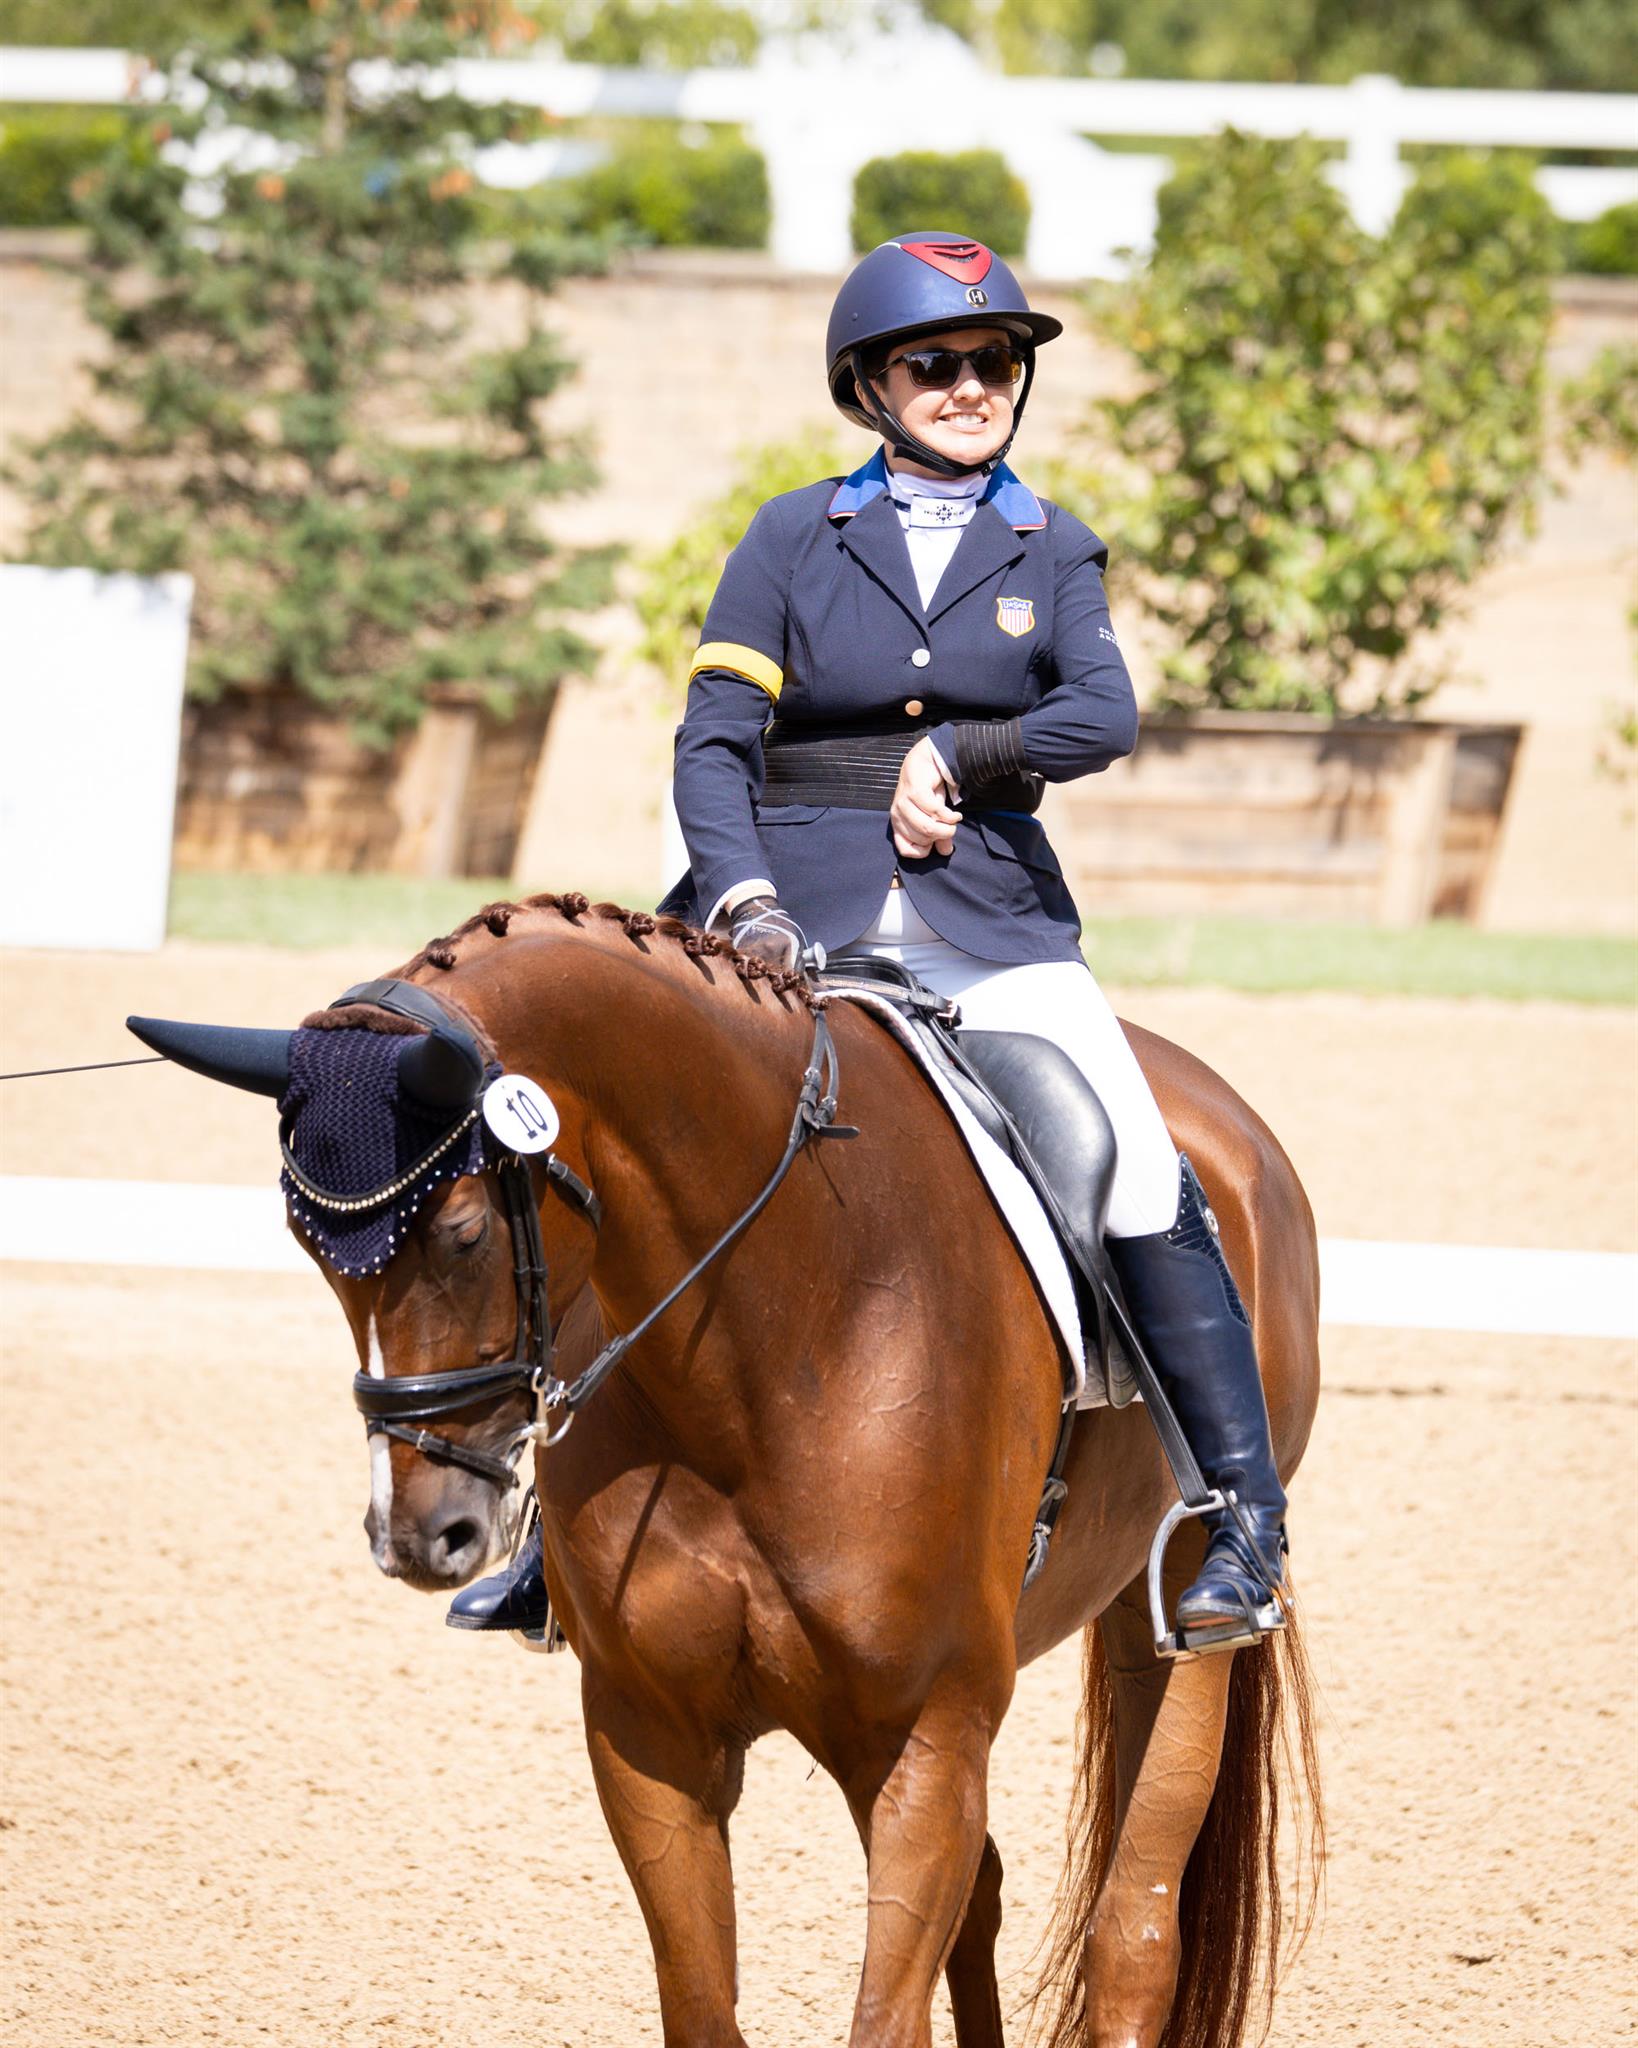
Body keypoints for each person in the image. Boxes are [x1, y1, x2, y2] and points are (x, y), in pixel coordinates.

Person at [450, 231, 1287, 1646]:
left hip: (985, 920)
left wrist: (965, 751)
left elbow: (1103, 714)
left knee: (1138, 1169)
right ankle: (543, 1524)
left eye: (994, 363)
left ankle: (1242, 1521)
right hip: (781, 905)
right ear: (871, 384)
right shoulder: (791, 537)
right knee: (625, 1159)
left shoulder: (1050, 543)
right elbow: (713, 743)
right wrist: (740, 900)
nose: (972, 385)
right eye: (937, 363)